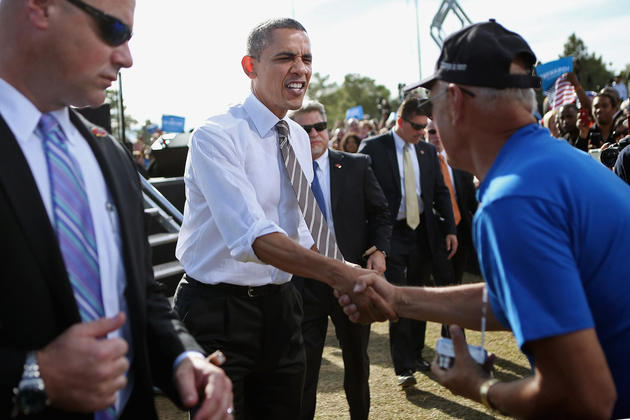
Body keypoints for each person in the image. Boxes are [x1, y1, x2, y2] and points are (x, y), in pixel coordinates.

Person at [341, 19, 630, 419]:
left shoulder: (513, 198)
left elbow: (585, 397)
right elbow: (524, 294)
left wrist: (480, 387)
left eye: (432, 106)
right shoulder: (560, 164)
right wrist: (398, 298)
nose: (431, 126)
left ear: (456, 101)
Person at [0, 0, 233, 419]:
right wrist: (34, 374)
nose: (127, 56)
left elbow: (141, 296)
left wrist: (185, 359)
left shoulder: (110, 153)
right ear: (40, 8)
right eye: (113, 30)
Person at [173, 18, 395, 420]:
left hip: (282, 307)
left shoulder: (295, 135)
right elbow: (257, 238)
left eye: (307, 58)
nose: (301, 69)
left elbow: (303, 229)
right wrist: (343, 276)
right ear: (250, 66)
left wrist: (346, 272)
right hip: (218, 311)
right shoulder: (215, 135)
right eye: (286, 57)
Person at [288, 101, 392, 420]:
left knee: (357, 364)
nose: (314, 134)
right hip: (306, 282)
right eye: (305, 130)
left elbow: (381, 213)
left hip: (351, 280)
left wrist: (379, 249)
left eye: (319, 127)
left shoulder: (357, 164)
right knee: (304, 368)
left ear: (328, 128)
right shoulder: (284, 173)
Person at [358, 97, 458, 387]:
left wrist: (449, 229)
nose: (422, 133)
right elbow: (364, 196)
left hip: (423, 235)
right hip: (391, 236)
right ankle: (404, 367)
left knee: (419, 297)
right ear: (400, 122)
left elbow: (440, 192)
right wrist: (374, 241)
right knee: (398, 300)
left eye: (425, 128)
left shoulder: (427, 150)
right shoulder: (374, 148)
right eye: (416, 127)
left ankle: (416, 354)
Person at [425, 120, 478, 286]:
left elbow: (470, 199)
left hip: (461, 229)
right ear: (424, 133)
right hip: (435, 233)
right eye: (432, 132)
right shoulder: (420, 162)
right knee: (444, 282)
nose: (437, 136)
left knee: (457, 279)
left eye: (441, 130)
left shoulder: (458, 160)